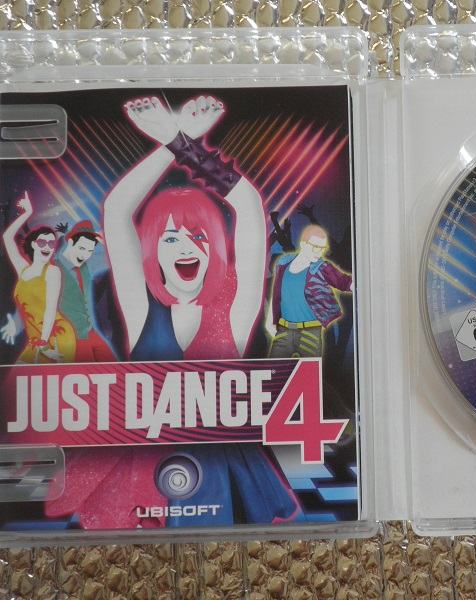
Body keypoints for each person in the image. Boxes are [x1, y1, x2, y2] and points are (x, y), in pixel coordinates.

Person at [93, 94, 296, 527]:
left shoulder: (234, 308)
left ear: (214, 247)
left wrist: (184, 144)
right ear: (153, 249)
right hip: (149, 469)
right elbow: (116, 209)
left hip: (223, 470)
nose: (186, 247)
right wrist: (173, 142)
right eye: (171, 238)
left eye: (198, 236)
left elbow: (249, 207)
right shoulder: (142, 306)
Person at [1, 193, 76, 363]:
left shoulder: (52, 272)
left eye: (51, 243)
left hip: (55, 336)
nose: (47, 247)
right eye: (42, 242)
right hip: (36, 339)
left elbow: (50, 309)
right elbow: (7, 238)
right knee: (17, 378)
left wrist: (44, 343)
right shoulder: (22, 269)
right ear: (34, 244)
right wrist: (27, 213)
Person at [266, 224, 353, 358]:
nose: (319, 252)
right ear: (303, 244)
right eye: (316, 247)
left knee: (310, 370)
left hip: (310, 333)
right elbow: (277, 293)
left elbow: (345, 282)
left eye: (322, 248)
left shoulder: (322, 267)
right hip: (284, 331)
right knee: (276, 369)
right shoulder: (283, 263)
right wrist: (269, 320)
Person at [55, 221, 116, 362]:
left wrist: (105, 242)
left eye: (89, 251)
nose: (85, 255)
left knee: (113, 366)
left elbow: (115, 262)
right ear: (70, 242)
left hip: (89, 331)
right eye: (82, 248)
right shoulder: (53, 268)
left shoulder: (84, 267)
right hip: (70, 336)